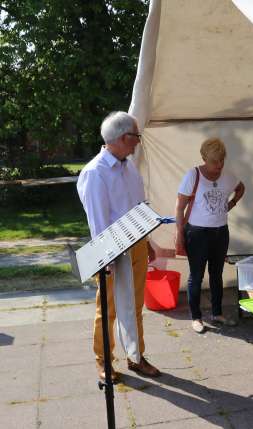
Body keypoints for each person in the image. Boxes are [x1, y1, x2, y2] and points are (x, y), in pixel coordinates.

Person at [77, 111, 160, 381]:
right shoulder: (95, 173)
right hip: (111, 252)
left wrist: (147, 241)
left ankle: (135, 356)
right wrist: (106, 261)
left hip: (135, 245)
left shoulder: (128, 166)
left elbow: (138, 207)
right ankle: (104, 360)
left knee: (134, 306)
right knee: (109, 309)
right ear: (125, 137)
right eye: (136, 136)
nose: (138, 142)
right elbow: (97, 221)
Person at [175, 138, 245, 333]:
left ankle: (216, 313)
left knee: (217, 274)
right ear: (204, 158)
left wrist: (230, 205)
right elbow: (180, 207)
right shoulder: (193, 175)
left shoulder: (228, 176)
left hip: (220, 232)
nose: (219, 165)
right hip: (197, 233)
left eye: (222, 160)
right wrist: (179, 233)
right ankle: (196, 317)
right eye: (215, 161)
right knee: (196, 276)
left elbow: (241, 188)